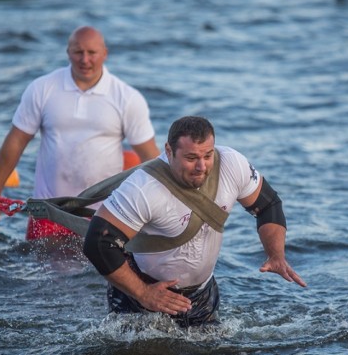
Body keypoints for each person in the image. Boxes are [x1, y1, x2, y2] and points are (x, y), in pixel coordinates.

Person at [82, 116, 306, 327]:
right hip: (141, 296)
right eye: (191, 158)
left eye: (207, 155)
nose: (202, 167)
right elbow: (98, 242)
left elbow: (268, 205)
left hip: (201, 295)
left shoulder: (232, 164)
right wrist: (144, 294)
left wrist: (275, 254)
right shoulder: (143, 188)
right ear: (169, 151)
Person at [0, 26, 160, 239]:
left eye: (92, 53)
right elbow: (16, 141)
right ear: (68, 53)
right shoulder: (42, 88)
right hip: (48, 211)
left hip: (104, 214)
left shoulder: (127, 98)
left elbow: (150, 157)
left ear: (105, 54)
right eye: (78, 52)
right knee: (39, 270)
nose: (85, 59)